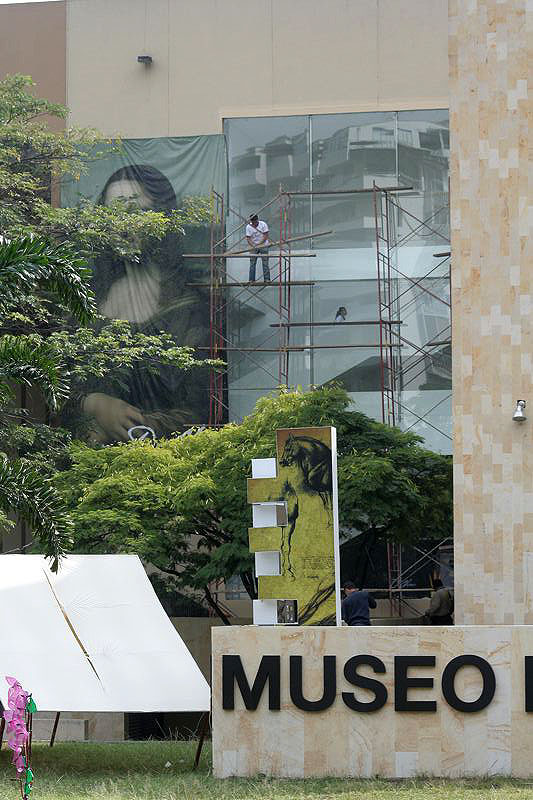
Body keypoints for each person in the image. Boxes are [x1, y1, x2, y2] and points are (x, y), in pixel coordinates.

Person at [67, 164, 209, 443]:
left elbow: (200, 406)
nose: (124, 226)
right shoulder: (85, 302)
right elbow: (54, 387)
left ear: (161, 219)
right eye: (114, 214)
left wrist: (139, 426)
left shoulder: (188, 308)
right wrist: (92, 404)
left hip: (167, 457)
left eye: (137, 212)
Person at [246, 213, 271, 282]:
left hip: (264, 245)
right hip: (253, 246)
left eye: (255, 222)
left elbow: (266, 236)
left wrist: (259, 244)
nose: (254, 223)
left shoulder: (263, 224)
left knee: (265, 263)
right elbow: (248, 238)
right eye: (253, 222)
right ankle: (251, 280)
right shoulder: (248, 227)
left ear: (257, 220)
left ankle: (267, 279)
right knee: (252, 263)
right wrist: (253, 245)